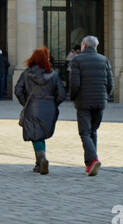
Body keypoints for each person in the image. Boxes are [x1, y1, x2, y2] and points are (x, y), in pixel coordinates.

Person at [14, 47, 66, 175]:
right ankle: (39, 163)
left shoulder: (27, 73)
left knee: (35, 134)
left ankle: (41, 159)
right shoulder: (53, 74)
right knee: (40, 134)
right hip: (49, 108)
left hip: (32, 106)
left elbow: (18, 90)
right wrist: (54, 104)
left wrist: (25, 102)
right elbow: (61, 94)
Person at [67, 34, 113, 176]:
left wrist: (73, 97)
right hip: (100, 101)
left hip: (83, 102)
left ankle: (93, 160)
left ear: (84, 46)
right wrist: (106, 96)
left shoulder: (77, 60)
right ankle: (89, 165)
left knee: (85, 132)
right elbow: (110, 83)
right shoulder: (104, 60)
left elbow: (74, 84)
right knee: (93, 131)